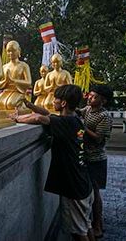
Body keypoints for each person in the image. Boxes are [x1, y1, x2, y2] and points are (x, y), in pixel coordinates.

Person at [11, 85, 95, 241]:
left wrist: (17, 119)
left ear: (63, 103)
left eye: (55, 98)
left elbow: (39, 118)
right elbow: (46, 113)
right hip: (84, 183)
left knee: (79, 233)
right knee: (86, 225)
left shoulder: (63, 122)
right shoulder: (74, 119)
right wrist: (29, 105)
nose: (52, 100)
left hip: (74, 188)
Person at [78, 85, 113, 238]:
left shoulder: (104, 116)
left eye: (94, 97)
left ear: (103, 100)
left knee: (95, 192)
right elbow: (76, 112)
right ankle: (92, 221)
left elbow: (99, 138)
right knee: (88, 191)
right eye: (90, 96)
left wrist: (82, 127)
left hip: (96, 158)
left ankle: (98, 224)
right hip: (84, 156)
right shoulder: (87, 110)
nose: (90, 98)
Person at [0, 40, 32, 111]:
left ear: (18, 51)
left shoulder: (23, 66)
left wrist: (13, 80)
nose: (10, 53)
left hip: (18, 92)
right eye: (8, 51)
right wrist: (5, 80)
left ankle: (22, 107)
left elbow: (28, 82)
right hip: (6, 92)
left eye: (13, 50)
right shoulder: (4, 67)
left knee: (10, 104)